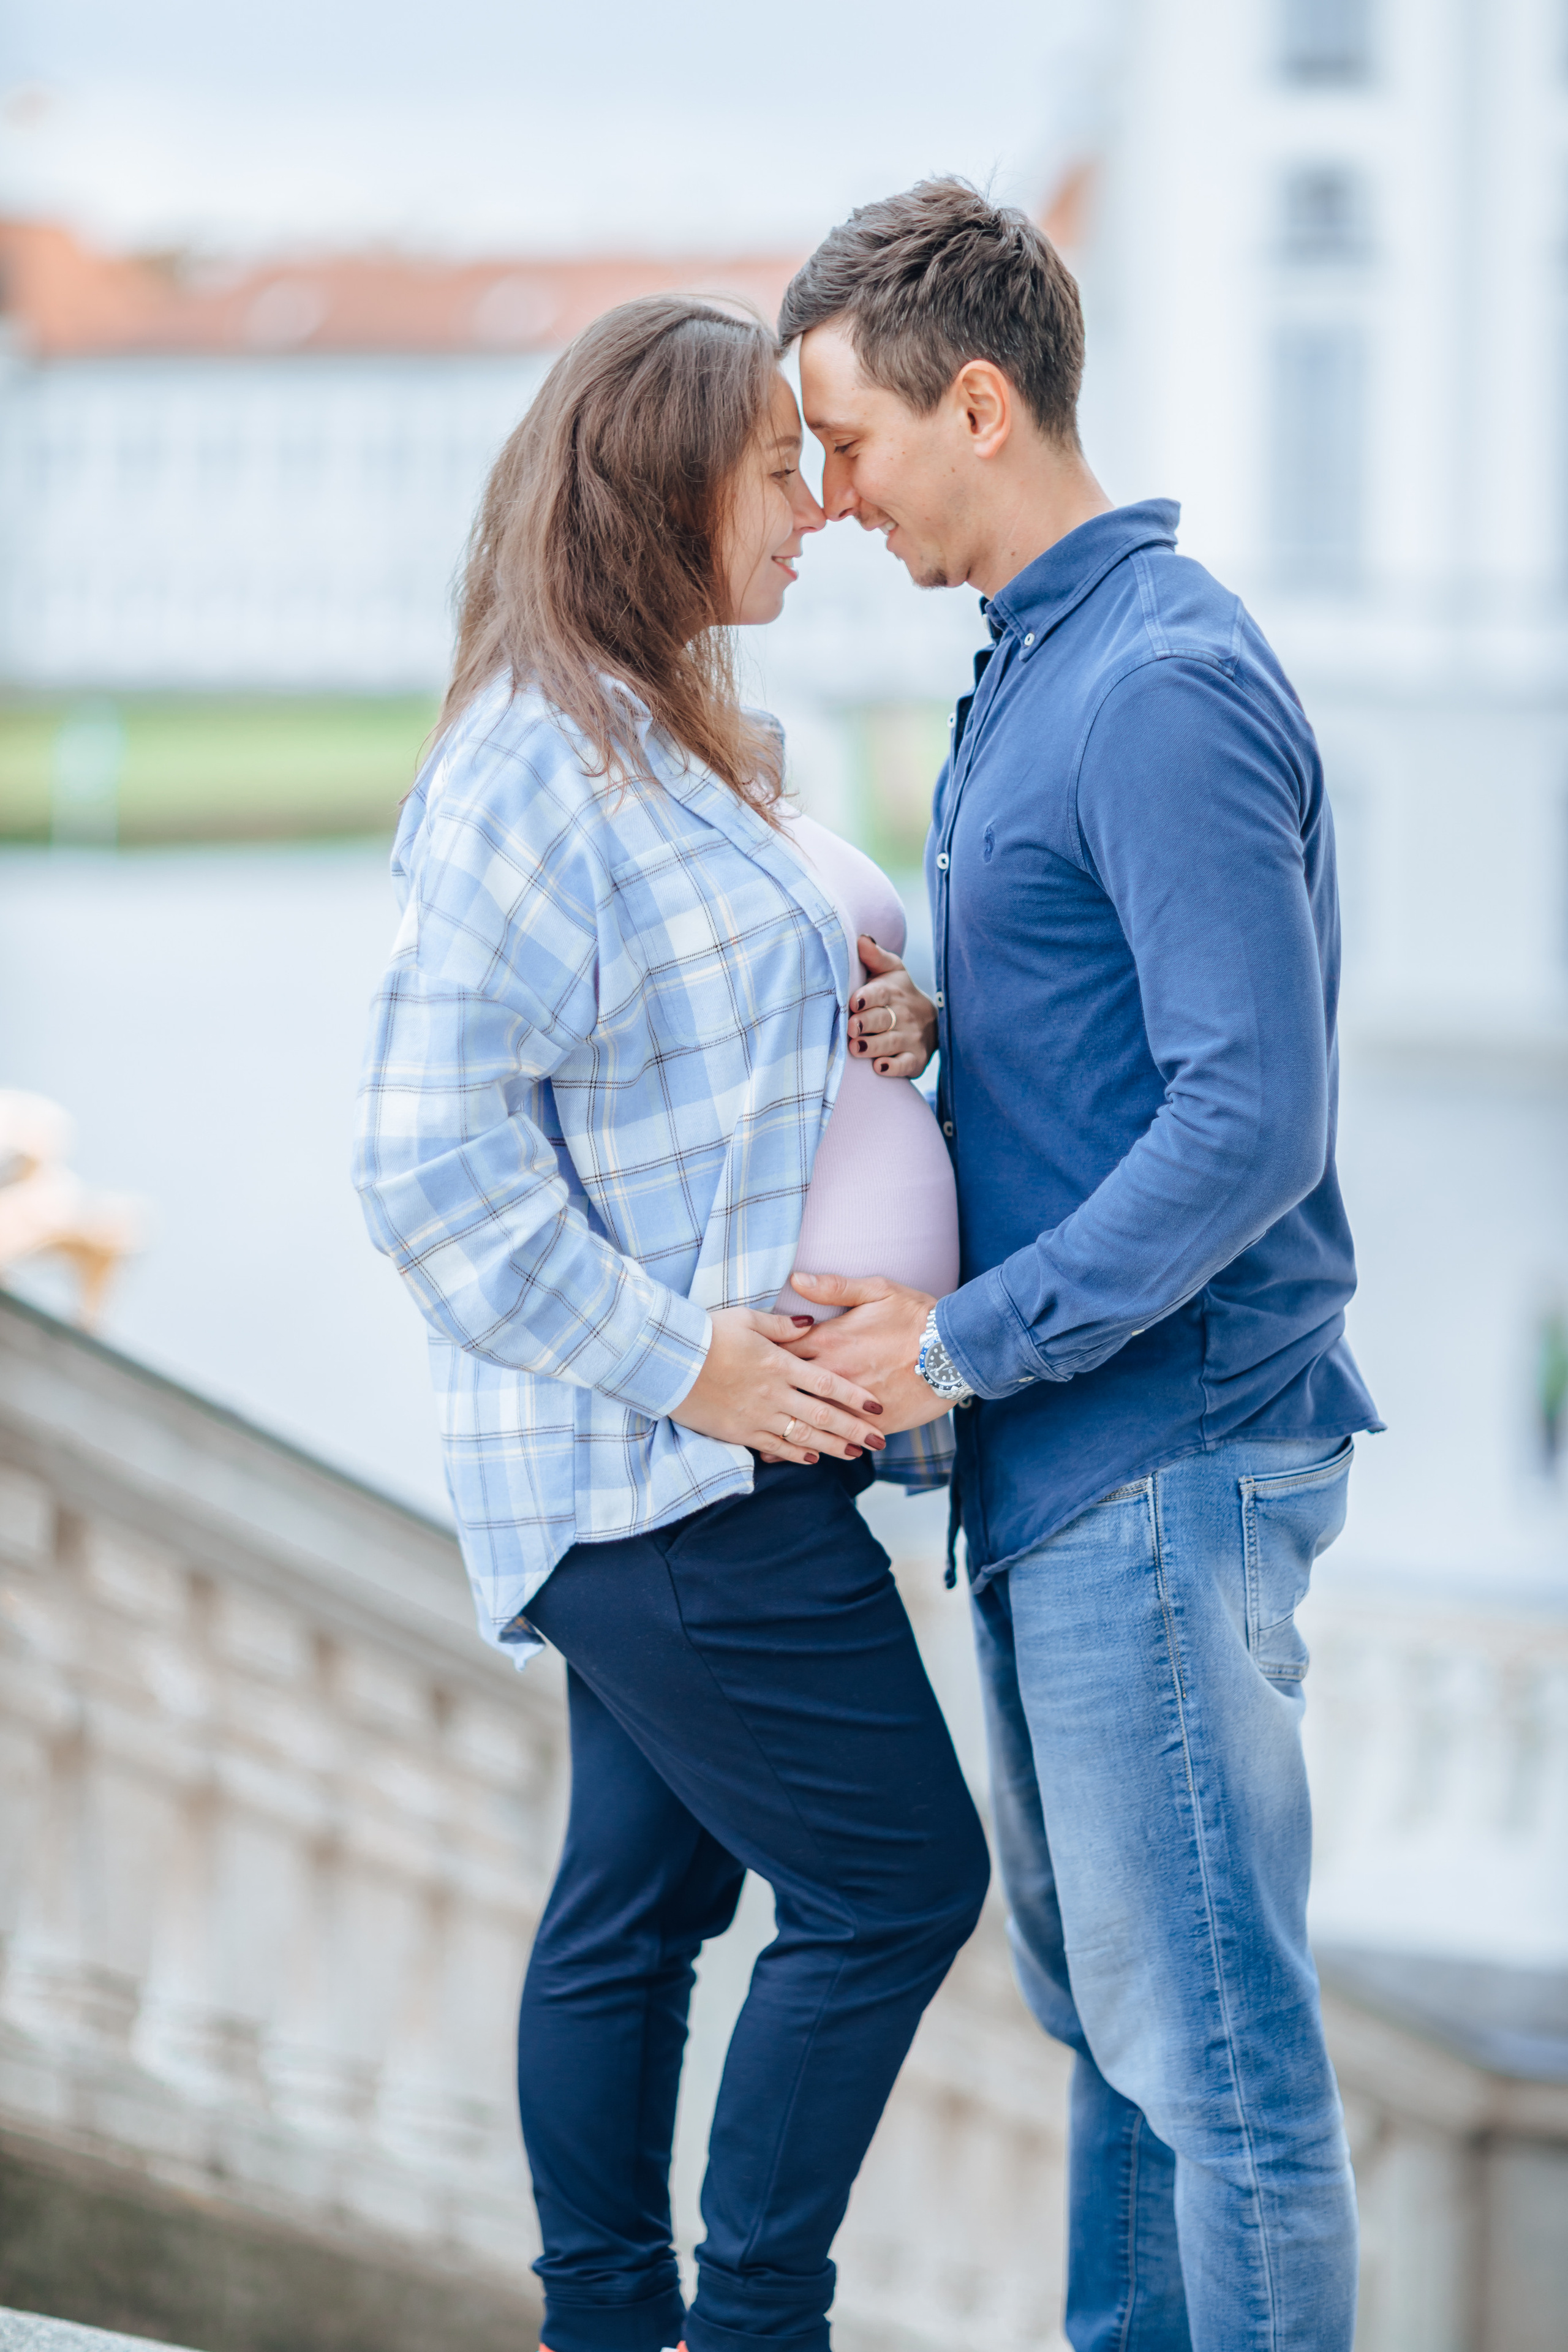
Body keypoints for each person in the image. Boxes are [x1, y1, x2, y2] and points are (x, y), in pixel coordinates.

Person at [775, 182, 1384, 2352]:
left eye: (849, 443)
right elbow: (1137, 1045)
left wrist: (952, 1340)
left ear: (980, 397)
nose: (828, 497)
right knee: (1129, 2051)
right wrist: (953, 1029)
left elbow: (1251, 1119)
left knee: (1220, 2071)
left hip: (1163, 1454)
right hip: (1070, 1465)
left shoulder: (1159, 682)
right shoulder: (1045, 665)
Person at [352, 294, 989, 2352]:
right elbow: (427, 1171)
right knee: (898, 1884)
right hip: (669, 1473)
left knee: (641, 1912)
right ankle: (749, 2326)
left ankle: (612, 2330)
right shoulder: (530, 766)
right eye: (778, 469)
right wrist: (693, 1365)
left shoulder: (666, 732)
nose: (814, 507)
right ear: (661, 486)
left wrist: (907, 1007)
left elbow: (736, 1035)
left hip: (717, 1463)